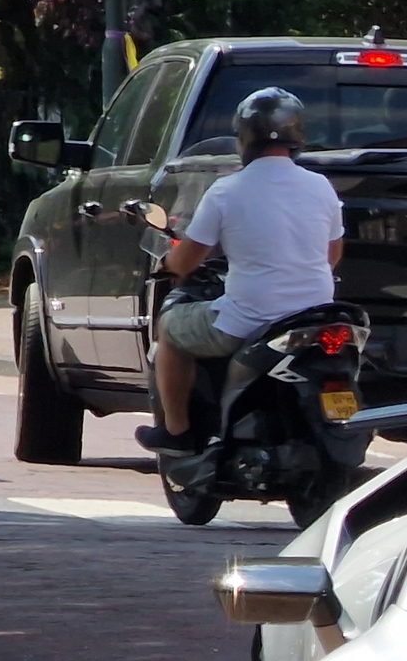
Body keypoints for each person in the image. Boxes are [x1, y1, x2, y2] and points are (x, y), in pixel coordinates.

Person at [137, 87, 345, 453]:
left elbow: (187, 261)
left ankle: (178, 430)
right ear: (298, 137)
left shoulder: (227, 190)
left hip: (250, 319)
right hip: (314, 316)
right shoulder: (321, 187)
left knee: (170, 327)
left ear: (245, 137)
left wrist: (167, 263)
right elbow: (332, 255)